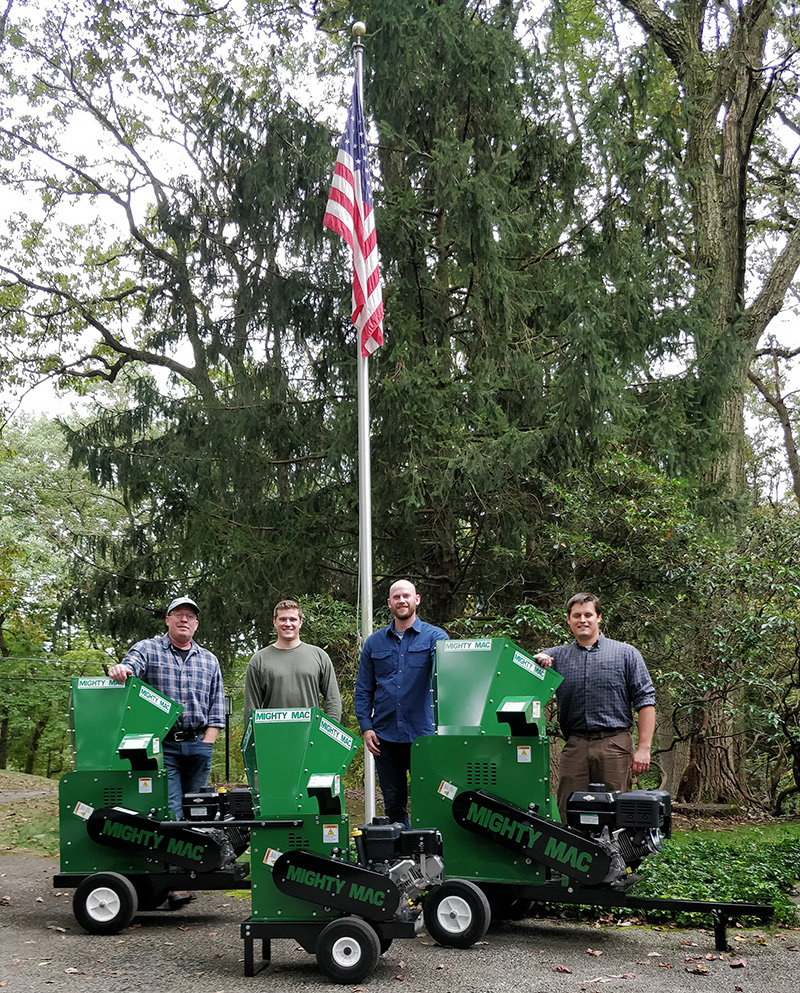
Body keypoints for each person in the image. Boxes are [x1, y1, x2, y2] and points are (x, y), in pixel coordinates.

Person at [108, 595, 225, 909]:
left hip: (200, 743)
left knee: (198, 812)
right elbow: (130, 666)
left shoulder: (209, 660)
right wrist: (121, 669)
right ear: (168, 620)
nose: (184, 620)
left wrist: (207, 742)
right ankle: (174, 883)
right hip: (164, 746)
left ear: (196, 623)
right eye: (178, 615)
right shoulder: (149, 649)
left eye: (190, 616)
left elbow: (218, 706)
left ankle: (189, 873)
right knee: (171, 811)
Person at [534, 592, 655, 821]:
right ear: (568, 620)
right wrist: (539, 659)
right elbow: (529, 672)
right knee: (570, 810)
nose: (583, 620)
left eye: (588, 614)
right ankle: (572, 856)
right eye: (577, 615)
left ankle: (618, 856)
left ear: (599, 618)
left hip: (615, 745)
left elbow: (646, 702)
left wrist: (644, 749)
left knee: (617, 811)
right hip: (575, 745)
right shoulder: (556, 657)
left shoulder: (626, 654)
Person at [354, 579, 449, 828]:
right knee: (393, 802)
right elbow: (363, 689)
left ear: (417, 599)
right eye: (396, 597)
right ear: (389, 603)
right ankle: (400, 858)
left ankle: (431, 856)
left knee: (428, 798)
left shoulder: (435, 637)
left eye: (406, 596)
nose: (402, 601)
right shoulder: (374, 643)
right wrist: (366, 727)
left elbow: (449, 676)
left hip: (424, 735)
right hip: (384, 737)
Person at [243, 599, 342, 722]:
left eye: (293, 619)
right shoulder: (259, 661)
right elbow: (251, 708)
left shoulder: (319, 656)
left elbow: (333, 700)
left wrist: (327, 735)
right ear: (275, 622)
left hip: (310, 737)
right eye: (283, 619)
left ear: (300, 622)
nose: (288, 623)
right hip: (272, 736)